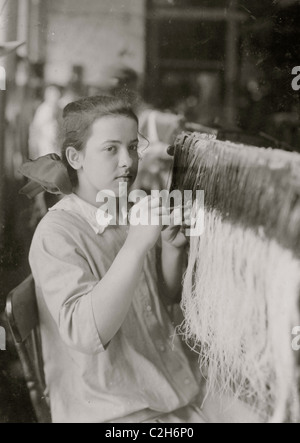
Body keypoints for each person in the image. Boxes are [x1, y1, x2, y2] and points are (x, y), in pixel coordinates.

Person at [27, 95, 207, 423]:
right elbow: (86, 334)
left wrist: (171, 248)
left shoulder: (125, 210)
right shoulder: (56, 233)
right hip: (115, 413)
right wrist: (136, 246)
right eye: (111, 149)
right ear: (75, 156)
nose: (127, 161)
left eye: (133, 147)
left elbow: (162, 297)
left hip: (165, 391)